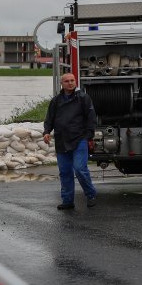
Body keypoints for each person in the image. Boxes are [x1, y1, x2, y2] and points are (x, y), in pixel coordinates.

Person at [43, 72, 98, 210]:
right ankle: (67, 201)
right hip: (61, 140)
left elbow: (91, 118)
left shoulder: (83, 98)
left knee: (80, 169)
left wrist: (88, 136)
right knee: (65, 171)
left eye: (72, 80)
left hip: (79, 139)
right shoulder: (56, 101)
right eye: (67, 81)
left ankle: (90, 194)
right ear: (62, 83)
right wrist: (46, 132)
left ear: (76, 82)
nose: (70, 83)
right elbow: (49, 118)